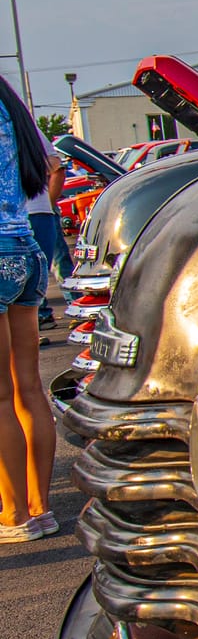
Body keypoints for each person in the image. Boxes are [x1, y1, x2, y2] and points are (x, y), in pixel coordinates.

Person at [0, 76, 56, 543]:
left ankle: (14, 516)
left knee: (0, 397)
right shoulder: (11, 107)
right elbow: (50, 164)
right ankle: (42, 508)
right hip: (26, 249)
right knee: (28, 389)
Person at [26, 129, 71, 342]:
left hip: (33, 215)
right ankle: (38, 320)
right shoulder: (22, 123)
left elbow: (57, 169)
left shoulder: (22, 124)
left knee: (51, 265)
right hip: (35, 214)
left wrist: (49, 205)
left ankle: (72, 306)